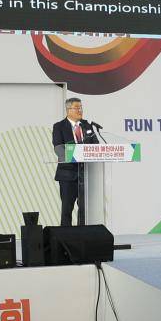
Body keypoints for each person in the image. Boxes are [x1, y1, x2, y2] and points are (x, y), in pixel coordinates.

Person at [51, 97, 102, 227]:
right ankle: (65, 235)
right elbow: (58, 148)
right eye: (77, 108)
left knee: (85, 209)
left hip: (86, 174)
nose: (80, 110)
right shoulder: (59, 126)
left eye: (81, 107)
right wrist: (75, 154)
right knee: (67, 209)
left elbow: (96, 145)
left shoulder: (87, 125)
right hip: (68, 174)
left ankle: (83, 233)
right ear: (68, 110)